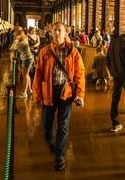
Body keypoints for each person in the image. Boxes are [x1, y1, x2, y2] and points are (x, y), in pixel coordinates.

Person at [33, 22, 86, 171]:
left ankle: (60, 157)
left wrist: (80, 94)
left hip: (66, 93)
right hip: (48, 92)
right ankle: (54, 145)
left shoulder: (73, 52)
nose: (57, 33)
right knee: (46, 126)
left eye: (59, 30)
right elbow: (38, 74)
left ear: (65, 33)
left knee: (63, 125)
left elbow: (80, 74)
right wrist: (37, 95)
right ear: (51, 32)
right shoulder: (44, 51)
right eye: (54, 30)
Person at [11, 30, 34, 97]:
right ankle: (29, 89)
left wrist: (16, 40)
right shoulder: (24, 40)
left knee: (25, 75)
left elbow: (12, 48)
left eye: (15, 34)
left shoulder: (22, 42)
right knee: (27, 75)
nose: (14, 36)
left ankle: (24, 93)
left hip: (27, 59)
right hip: (27, 58)